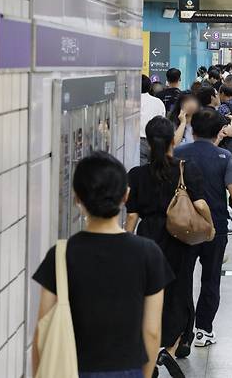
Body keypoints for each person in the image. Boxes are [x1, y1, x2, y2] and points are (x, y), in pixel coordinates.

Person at [32, 152, 173, 378]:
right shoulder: (149, 254)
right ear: (126, 196)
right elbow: (152, 331)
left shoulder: (60, 254)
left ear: (77, 198)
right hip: (127, 369)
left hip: (71, 368)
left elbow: (42, 331)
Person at [125, 117, 214, 373]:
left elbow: (131, 216)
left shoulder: (137, 174)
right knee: (180, 290)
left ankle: (148, 347)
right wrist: (210, 227)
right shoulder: (186, 169)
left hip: (148, 238)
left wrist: (126, 244)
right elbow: (200, 205)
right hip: (180, 238)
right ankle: (170, 349)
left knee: (149, 292)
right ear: (172, 141)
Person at [174, 109, 232, 349]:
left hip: (182, 227)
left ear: (192, 130)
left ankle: (182, 335)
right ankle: (203, 330)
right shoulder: (224, 157)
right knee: (211, 278)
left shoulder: (178, 153)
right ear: (219, 132)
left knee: (182, 279)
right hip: (214, 227)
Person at [140, 74, 166, 165]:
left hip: (138, 142)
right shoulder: (158, 102)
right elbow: (163, 121)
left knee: (141, 170)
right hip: (156, 141)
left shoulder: (130, 102)